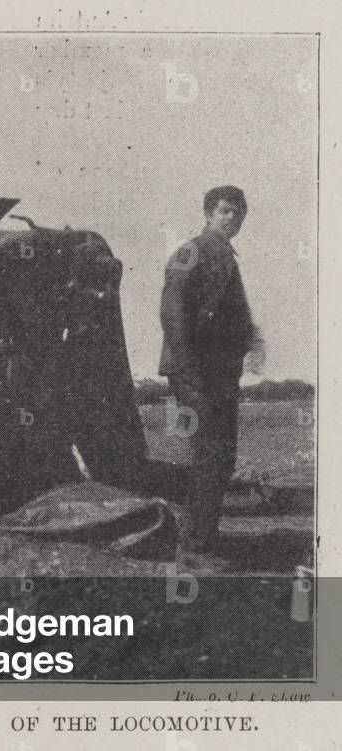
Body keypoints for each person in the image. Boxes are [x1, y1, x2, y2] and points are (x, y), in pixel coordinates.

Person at [159, 185, 265, 556]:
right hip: (196, 373)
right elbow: (173, 311)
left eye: (238, 213)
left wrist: (253, 343)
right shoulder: (192, 252)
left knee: (220, 455)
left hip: (219, 374)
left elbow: (233, 313)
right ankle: (194, 548)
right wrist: (188, 370)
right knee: (210, 453)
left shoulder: (225, 256)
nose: (231, 218)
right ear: (208, 213)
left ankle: (202, 540)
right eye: (224, 211)